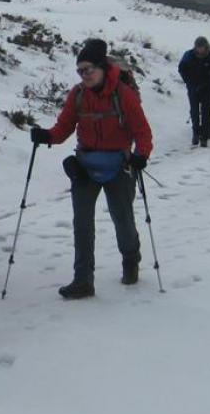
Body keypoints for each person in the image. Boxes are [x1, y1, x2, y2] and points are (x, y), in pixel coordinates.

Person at [30, 38, 154, 300]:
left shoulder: (123, 95)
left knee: (123, 220)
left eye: (88, 69)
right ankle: (83, 279)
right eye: (80, 70)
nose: (84, 75)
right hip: (85, 165)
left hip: (119, 166)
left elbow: (142, 131)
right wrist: (46, 136)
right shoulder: (77, 95)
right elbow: (63, 128)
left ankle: (130, 258)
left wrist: (141, 155)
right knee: (82, 224)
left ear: (102, 67)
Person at [177, 36, 210, 146]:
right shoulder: (188, 55)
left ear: (206, 46)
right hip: (193, 87)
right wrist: (187, 81)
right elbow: (181, 68)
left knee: (206, 112)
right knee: (194, 111)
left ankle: (204, 136)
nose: (200, 49)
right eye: (198, 47)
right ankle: (195, 133)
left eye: (202, 47)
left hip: (206, 87)